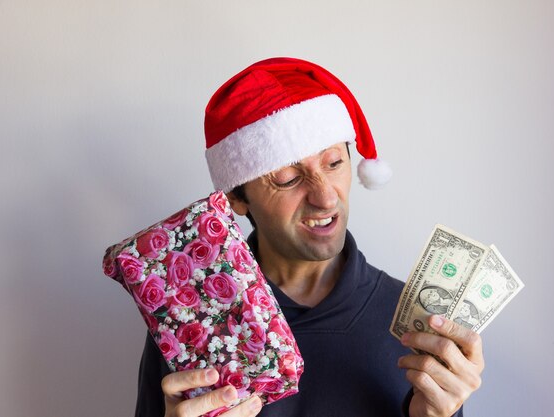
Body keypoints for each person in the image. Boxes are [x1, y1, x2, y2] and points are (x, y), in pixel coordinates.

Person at [135, 57, 484, 417]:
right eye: (287, 178)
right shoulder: (185, 320)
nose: (326, 197)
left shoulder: (416, 322)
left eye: (334, 163)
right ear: (235, 199)